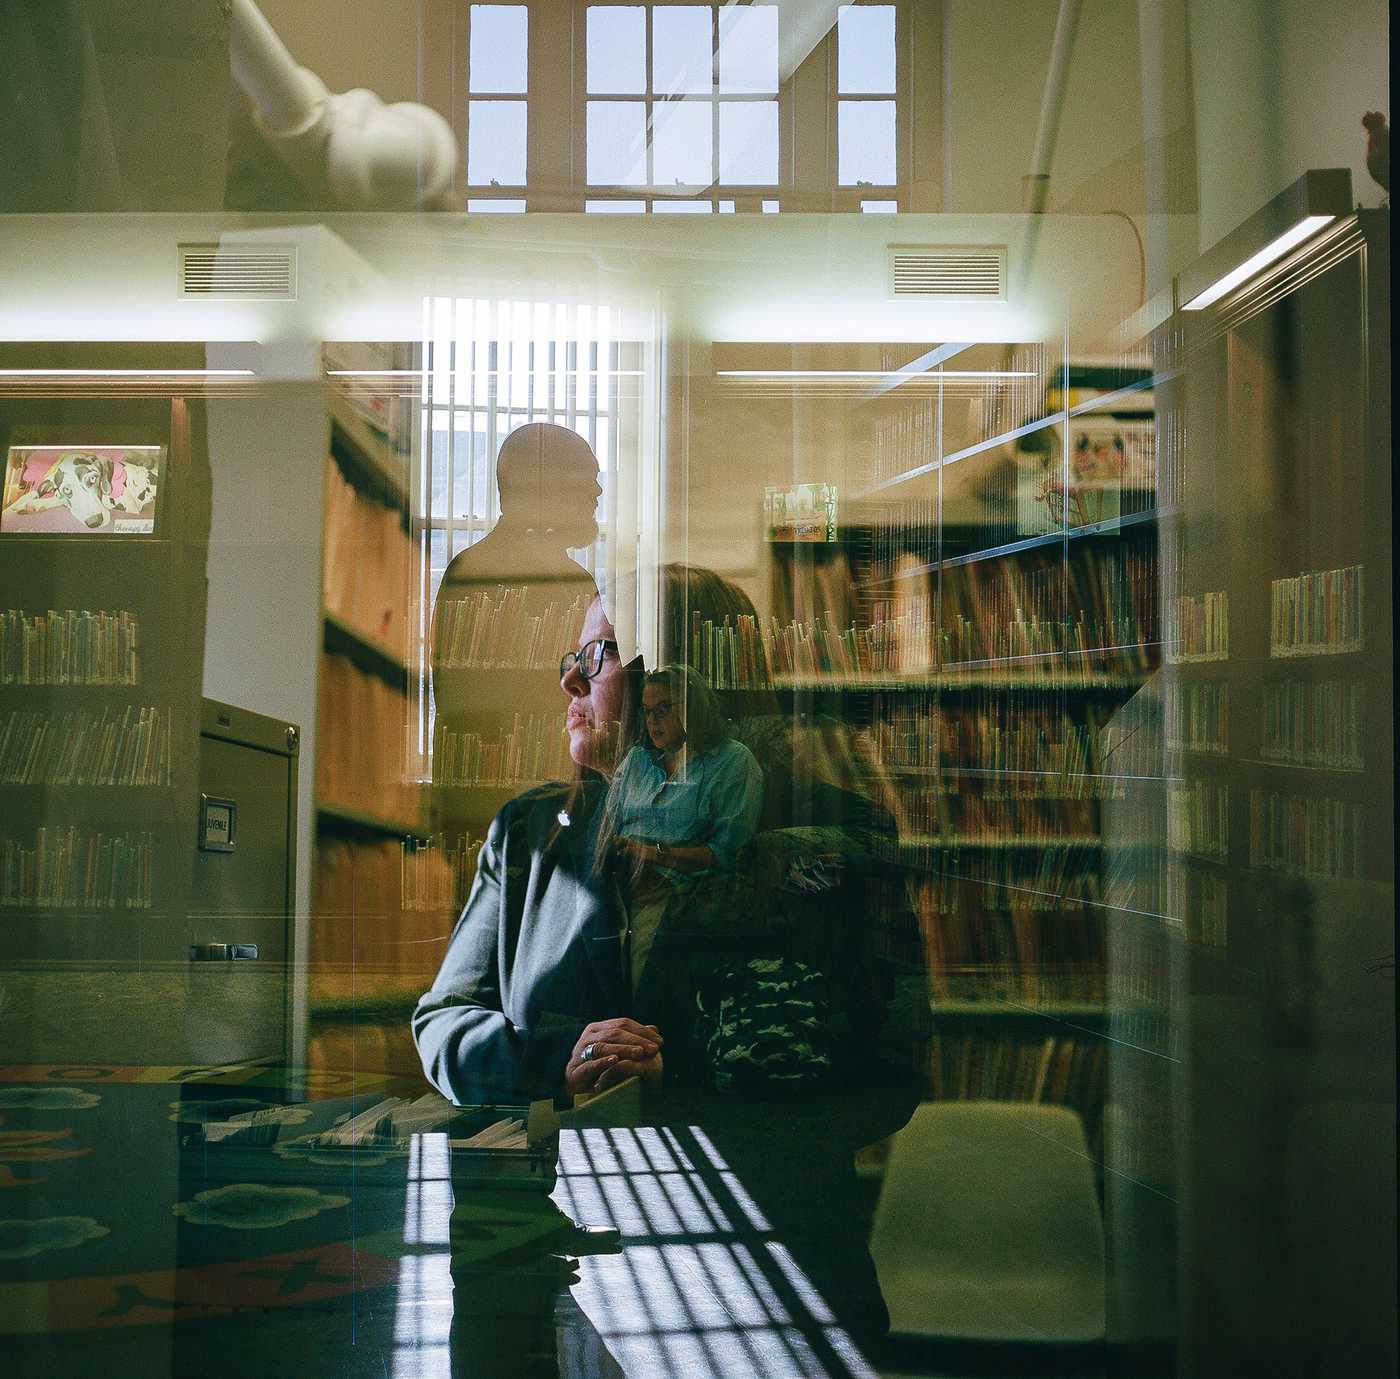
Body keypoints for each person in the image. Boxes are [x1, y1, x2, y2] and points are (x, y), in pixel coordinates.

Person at [600, 664, 764, 990]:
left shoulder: (733, 762)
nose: (653, 722)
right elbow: (607, 828)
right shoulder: (637, 761)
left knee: (637, 955)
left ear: (695, 709)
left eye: (663, 710)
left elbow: (727, 855)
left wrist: (654, 855)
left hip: (677, 889)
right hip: (619, 876)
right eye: (647, 712)